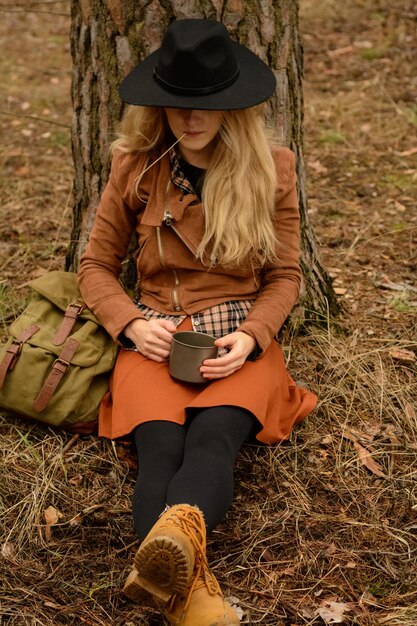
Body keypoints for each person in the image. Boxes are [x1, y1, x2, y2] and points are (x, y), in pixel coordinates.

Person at [78, 18, 317, 626]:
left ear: (231, 105)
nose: (191, 118)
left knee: (213, 440)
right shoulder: (135, 167)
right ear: (160, 102)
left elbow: (286, 276)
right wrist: (131, 325)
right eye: (178, 103)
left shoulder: (273, 169)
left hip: (237, 339)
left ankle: (170, 576)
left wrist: (252, 336)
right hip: (155, 336)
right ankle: (192, 594)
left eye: (206, 105)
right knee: (160, 448)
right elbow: (95, 267)